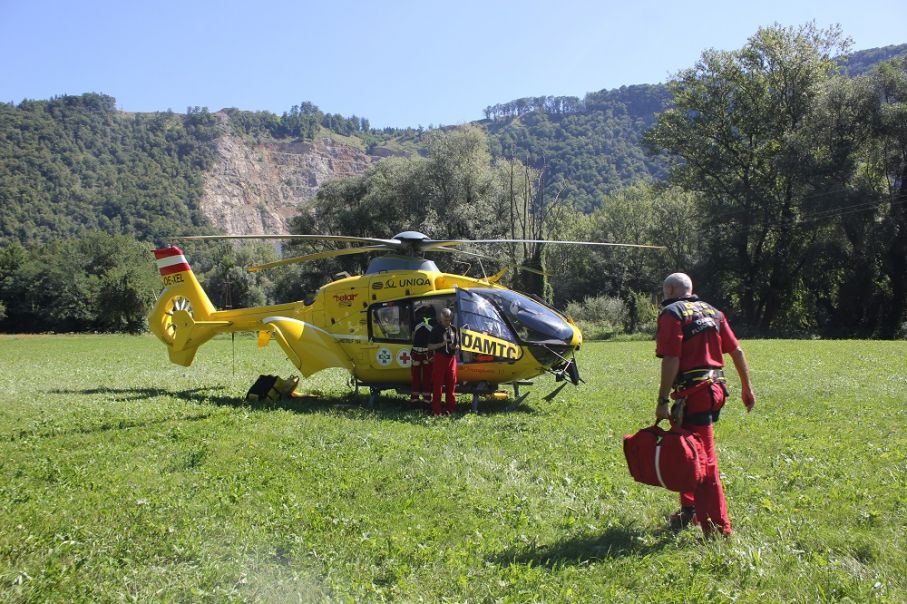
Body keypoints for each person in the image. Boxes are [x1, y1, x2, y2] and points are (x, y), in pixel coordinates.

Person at [655, 272, 756, 537]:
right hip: (715, 390)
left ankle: (717, 528)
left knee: (704, 459)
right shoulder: (713, 312)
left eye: (665, 292)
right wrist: (747, 387)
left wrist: (662, 399)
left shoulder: (672, 313)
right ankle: (690, 509)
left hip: (695, 394)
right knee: (686, 450)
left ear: (671, 290)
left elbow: (671, 359)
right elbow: (736, 351)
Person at [428, 307, 460, 416]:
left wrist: (454, 346)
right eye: (445, 320)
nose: (448, 322)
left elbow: (458, 345)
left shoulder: (454, 329)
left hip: (451, 359)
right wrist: (442, 344)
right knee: (438, 385)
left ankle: (450, 410)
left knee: (451, 384)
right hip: (440, 358)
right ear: (441, 319)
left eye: (449, 319)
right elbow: (430, 346)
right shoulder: (436, 330)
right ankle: (437, 411)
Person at [409, 307, 434, 403]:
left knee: (416, 375)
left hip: (416, 351)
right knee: (427, 376)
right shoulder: (434, 322)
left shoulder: (416, 321)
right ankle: (427, 399)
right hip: (428, 352)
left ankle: (414, 398)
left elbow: (412, 336)